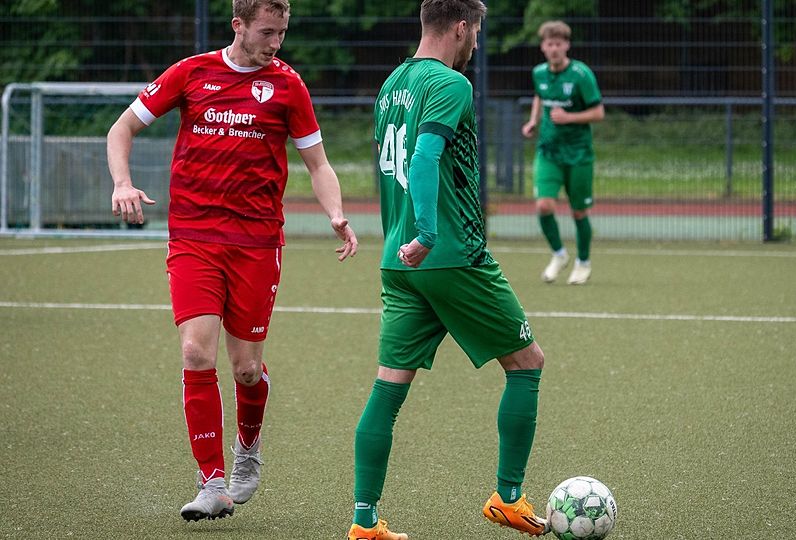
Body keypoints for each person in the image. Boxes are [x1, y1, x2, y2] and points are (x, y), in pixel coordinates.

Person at [106, 0, 358, 522]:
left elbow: (318, 163)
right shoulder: (191, 73)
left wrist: (335, 212)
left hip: (257, 243)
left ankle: (247, 450)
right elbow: (121, 130)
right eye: (267, 32)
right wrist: (123, 183)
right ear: (237, 25)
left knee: (245, 369)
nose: (276, 43)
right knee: (196, 351)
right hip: (194, 237)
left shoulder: (288, 86)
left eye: (282, 33)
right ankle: (212, 481)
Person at [347, 1, 548, 539]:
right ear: (461, 27)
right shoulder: (452, 84)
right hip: (450, 255)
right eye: (476, 32)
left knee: (388, 389)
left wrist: (411, 239)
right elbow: (422, 158)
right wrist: (429, 234)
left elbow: (393, 162)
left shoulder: (392, 84)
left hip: (398, 262)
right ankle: (508, 497)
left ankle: (364, 522)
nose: (476, 43)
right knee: (527, 363)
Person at [521, 20, 604, 285]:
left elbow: (598, 112)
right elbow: (539, 96)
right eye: (550, 44)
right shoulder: (539, 73)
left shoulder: (581, 74)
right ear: (543, 47)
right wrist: (533, 121)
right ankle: (559, 254)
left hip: (579, 154)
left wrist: (569, 118)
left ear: (566, 45)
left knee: (579, 212)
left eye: (559, 44)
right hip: (548, 151)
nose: (554, 48)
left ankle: (583, 263)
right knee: (543, 205)